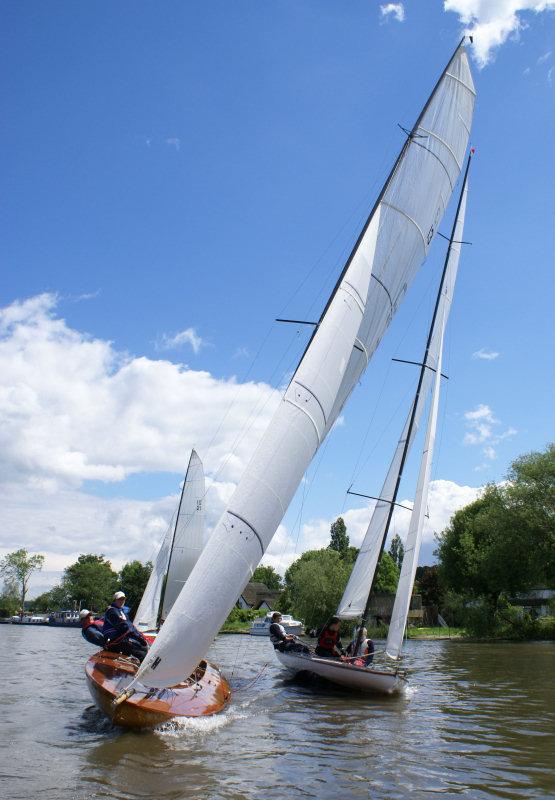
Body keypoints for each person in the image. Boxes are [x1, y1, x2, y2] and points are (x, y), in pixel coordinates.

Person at [103, 591, 149, 662]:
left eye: (123, 599)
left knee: (142, 647)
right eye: (119, 599)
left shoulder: (122, 612)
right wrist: (139, 638)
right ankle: (144, 672)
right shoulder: (112, 611)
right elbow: (125, 628)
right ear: (114, 600)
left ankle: (126, 666)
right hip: (115, 641)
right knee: (142, 653)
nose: (122, 601)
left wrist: (141, 637)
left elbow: (131, 626)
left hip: (122, 640)